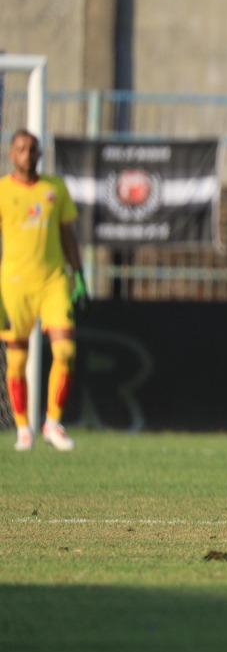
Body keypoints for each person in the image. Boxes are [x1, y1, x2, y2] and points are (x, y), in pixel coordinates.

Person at [1, 130, 87, 452]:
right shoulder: (2, 191)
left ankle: (52, 423)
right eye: (21, 149)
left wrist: (79, 274)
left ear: (39, 154)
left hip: (52, 282)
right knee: (16, 361)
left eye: (32, 149)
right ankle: (24, 428)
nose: (27, 154)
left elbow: (68, 235)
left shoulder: (55, 189)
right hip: (13, 287)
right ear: (12, 155)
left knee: (65, 351)